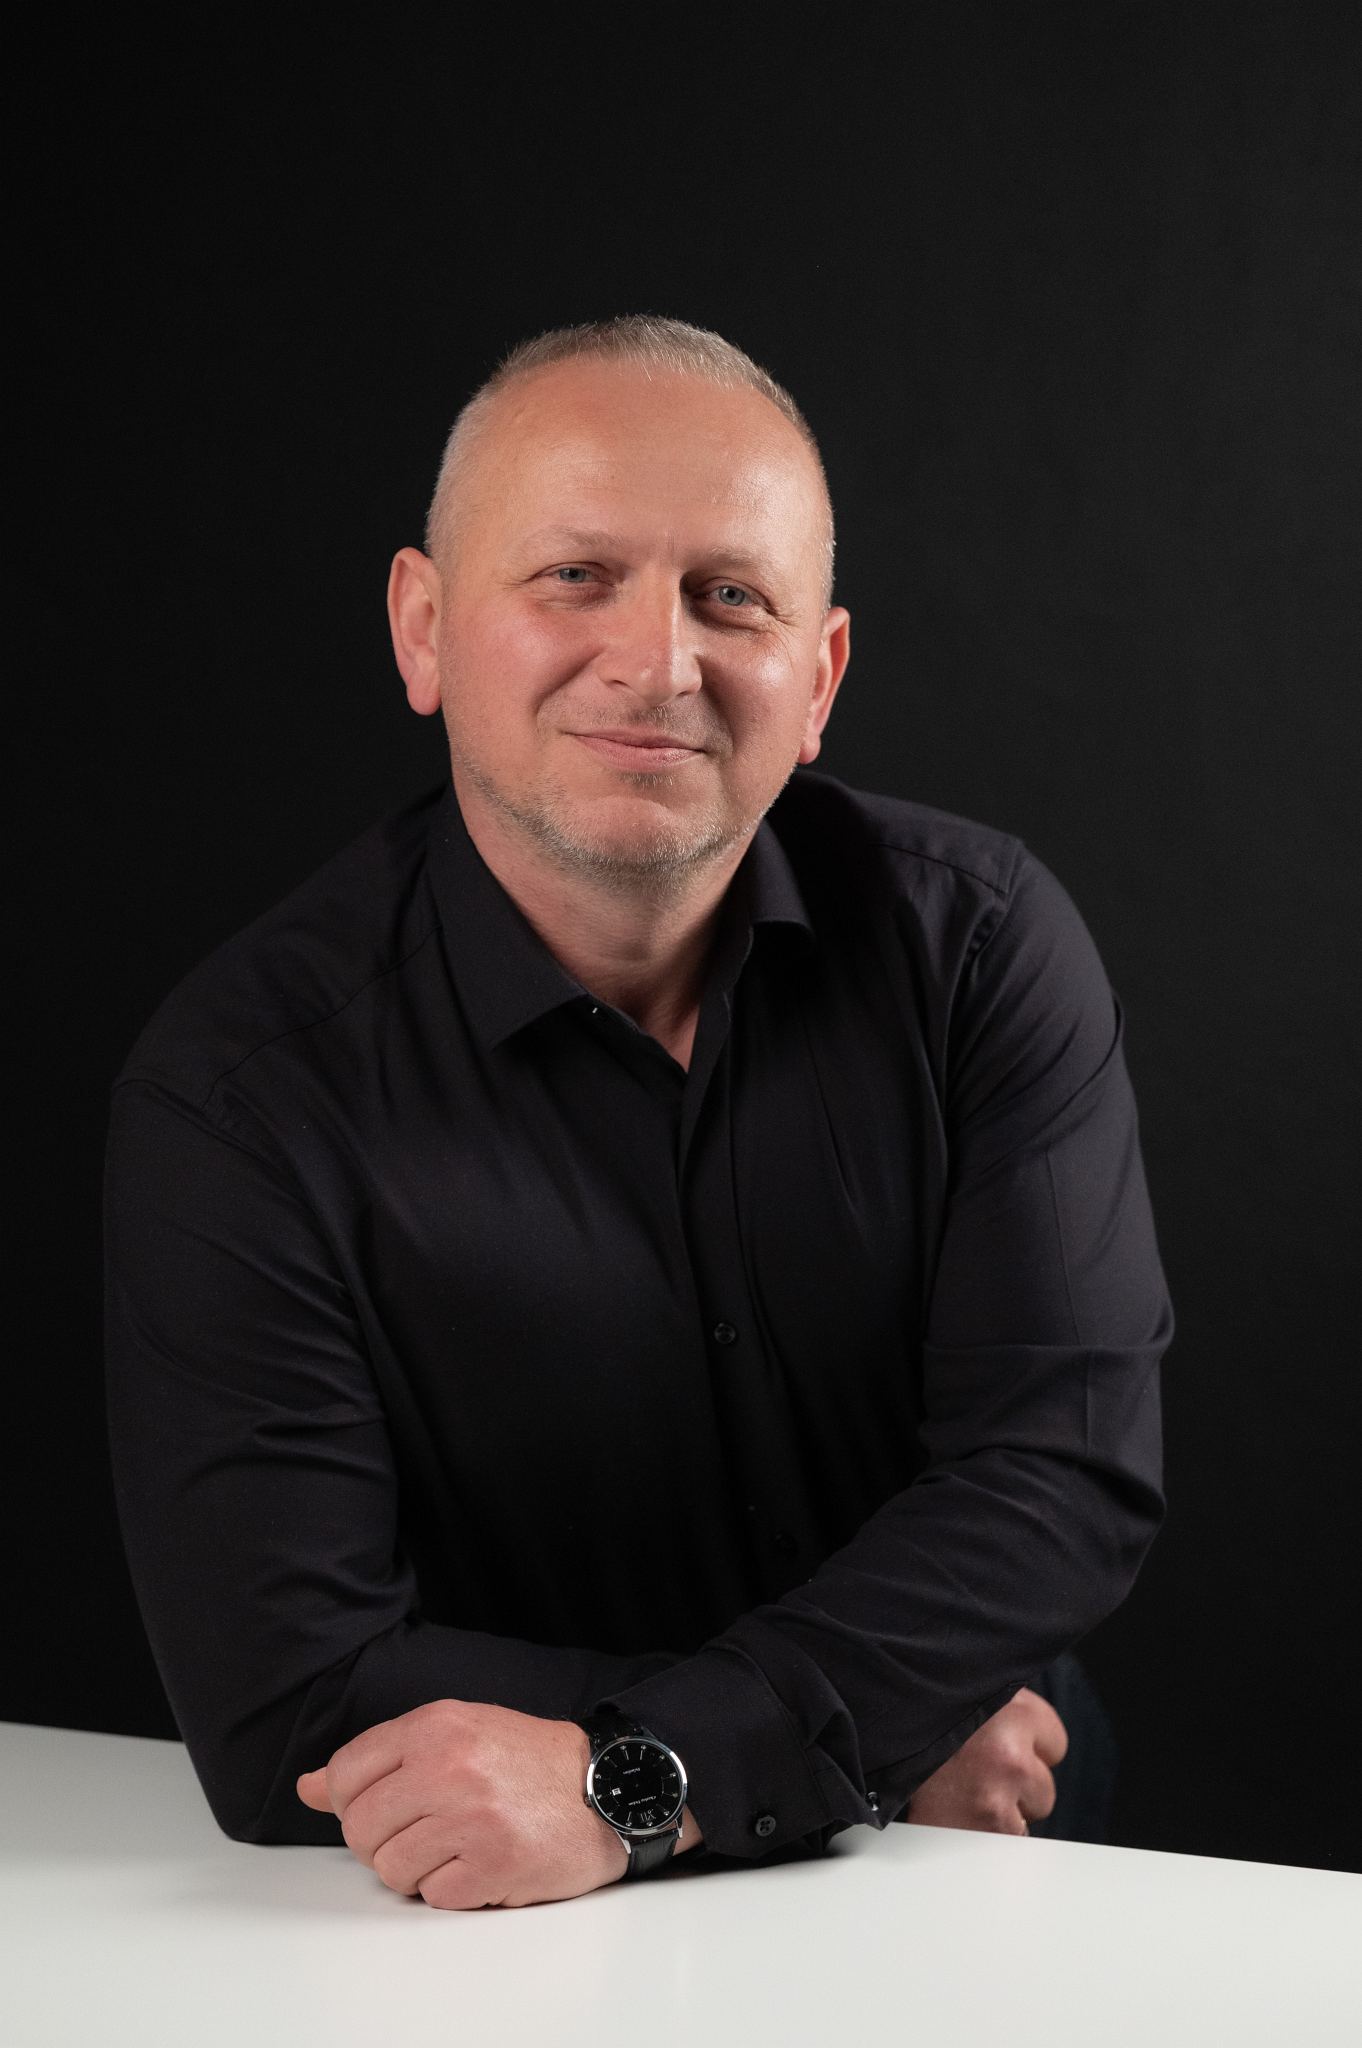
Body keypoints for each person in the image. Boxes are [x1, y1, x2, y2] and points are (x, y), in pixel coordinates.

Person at [103, 314, 1172, 1912]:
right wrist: (831, 1752)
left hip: (969, 1850)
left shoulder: (977, 945)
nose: (656, 662)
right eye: (573, 576)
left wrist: (676, 1764)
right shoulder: (241, 1091)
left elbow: (1059, 1482)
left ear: (817, 679)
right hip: (518, 1909)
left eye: (728, 596)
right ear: (423, 630)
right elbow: (286, 1702)